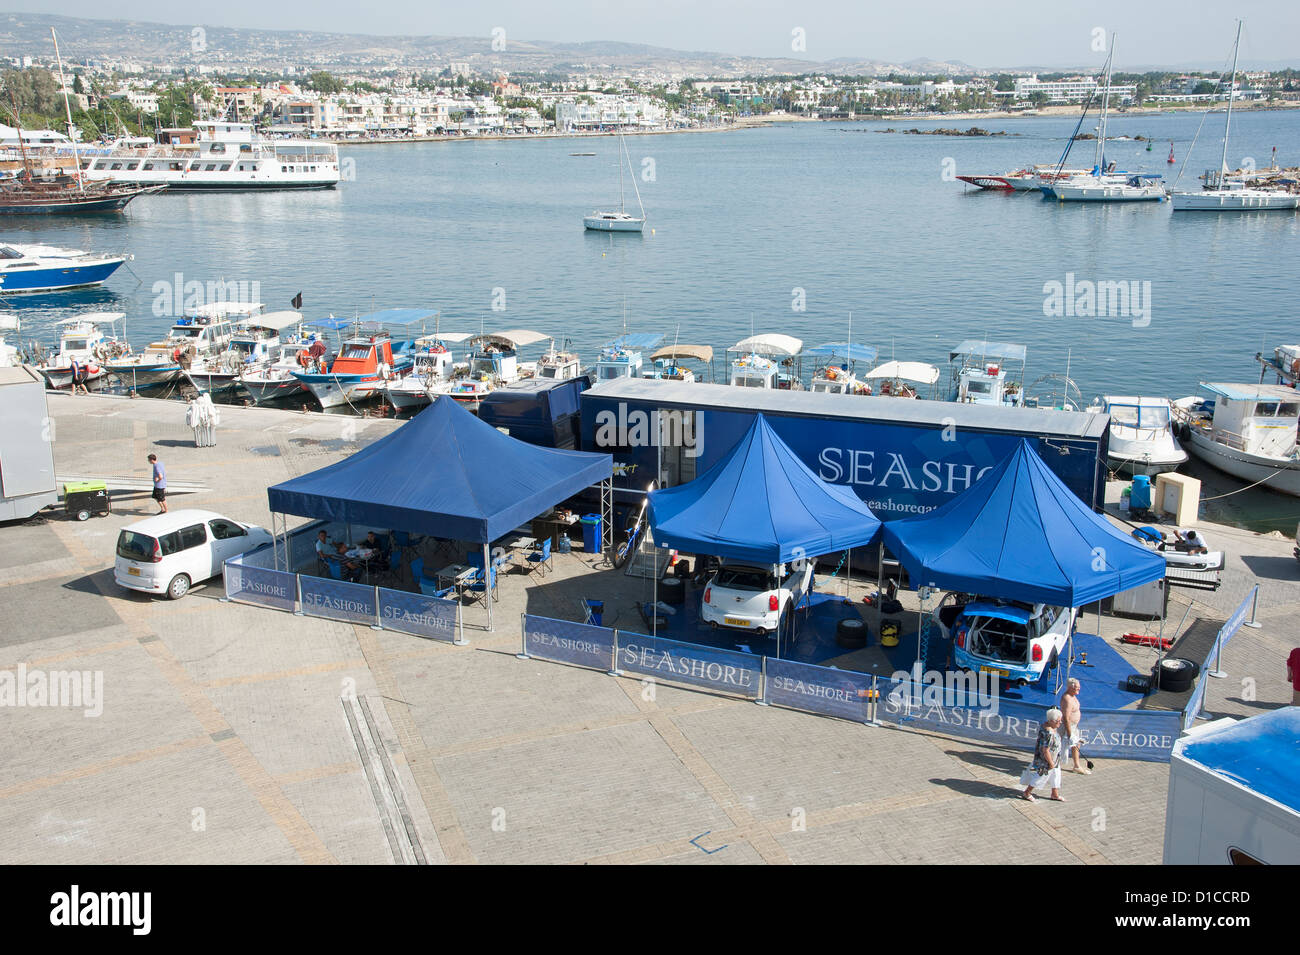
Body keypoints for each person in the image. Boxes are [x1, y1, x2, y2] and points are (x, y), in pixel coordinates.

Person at [1020, 709, 1065, 802]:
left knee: (1056, 775)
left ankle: (1054, 794)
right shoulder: (1048, 733)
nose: (1060, 722)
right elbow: (1045, 750)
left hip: (1055, 758)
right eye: (1058, 721)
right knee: (1040, 777)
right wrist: (1051, 763)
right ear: (1051, 721)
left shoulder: (1048, 725)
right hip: (1046, 761)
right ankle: (1027, 793)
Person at [1059, 678, 1091, 774]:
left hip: (1074, 726)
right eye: (1077, 688)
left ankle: (1076, 766)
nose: (1079, 689)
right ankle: (1051, 764)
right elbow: (1066, 717)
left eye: (1079, 687)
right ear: (1070, 687)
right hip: (1067, 727)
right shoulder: (1067, 699)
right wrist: (1069, 734)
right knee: (1059, 746)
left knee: (1077, 744)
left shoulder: (1073, 696)